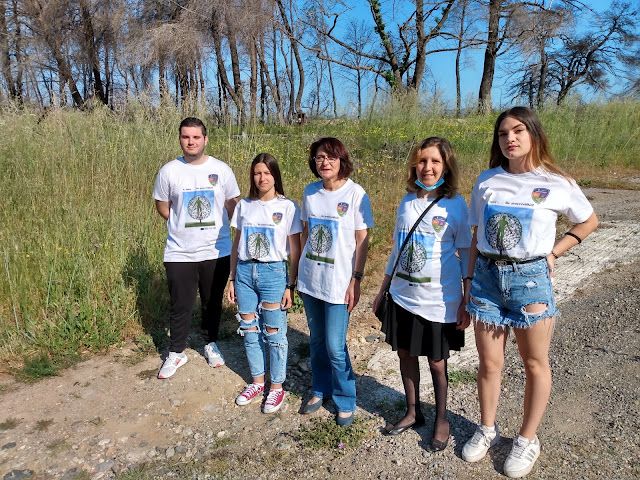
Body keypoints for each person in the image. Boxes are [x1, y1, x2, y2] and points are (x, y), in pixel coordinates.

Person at [461, 107, 598, 478]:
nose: (510, 139)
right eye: (503, 133)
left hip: (530, 280)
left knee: (535, 362)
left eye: (518, 131)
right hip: (487, 278)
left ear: (533, 134)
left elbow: (589, 220)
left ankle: (527, 439)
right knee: (489, 363)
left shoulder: (556, 182)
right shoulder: (487, 180)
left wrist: (555, 252)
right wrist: (468, 280)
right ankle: (487, 428)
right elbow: (476, 234)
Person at [372, 137, 471, 451]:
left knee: (437, 362)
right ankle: (413, 411)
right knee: (405, 354)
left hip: (438, 300)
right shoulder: (406, 201)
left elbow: (466, 252)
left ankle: (442, 418)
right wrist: (383, 288)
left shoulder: (455, 204)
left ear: (446, 166)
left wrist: (467, 297)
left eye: (435, 161)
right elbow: (397, 249)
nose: (427, 167)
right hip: (402, 295)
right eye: (422, 161)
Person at [153, 117, 240, 379]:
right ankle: (176, 352)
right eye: (186, 137)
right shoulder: (169, 171)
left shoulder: (221, 169)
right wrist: (182, 225)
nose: (191, 142)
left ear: (205, 139)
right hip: (179, 251)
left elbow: (232, 205)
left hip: (216, 250)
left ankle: (210, 343)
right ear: (180, 139)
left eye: (196, 137)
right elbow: (163, 206)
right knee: (180, 303)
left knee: (212, 302)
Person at [297, 137, 374, 427]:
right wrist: (298, 272)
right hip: (311, 280)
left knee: (335, 345)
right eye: (319, 157)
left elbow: (362, 239)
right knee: (316, 341)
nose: (325, 162)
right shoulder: (310, 192)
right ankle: (320, 388)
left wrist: (357, 279)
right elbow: (306, 233)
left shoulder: (355, 193)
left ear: (342, 160)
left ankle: (345, 398)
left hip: (339, 283)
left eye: (330, 157)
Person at [226, 153, 302, 414]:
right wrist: (232, 278)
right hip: (245, 272)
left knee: (274, 332)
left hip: (273, 273)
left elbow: (295, 250)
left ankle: (277, 387)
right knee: (249, 329)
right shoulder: (244, 206)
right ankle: (257, 381)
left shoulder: (288, 207)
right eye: (257, 173)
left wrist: (291, 284)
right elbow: (236, 244)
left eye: (267, 173)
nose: (262, 178)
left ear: (275, 175)